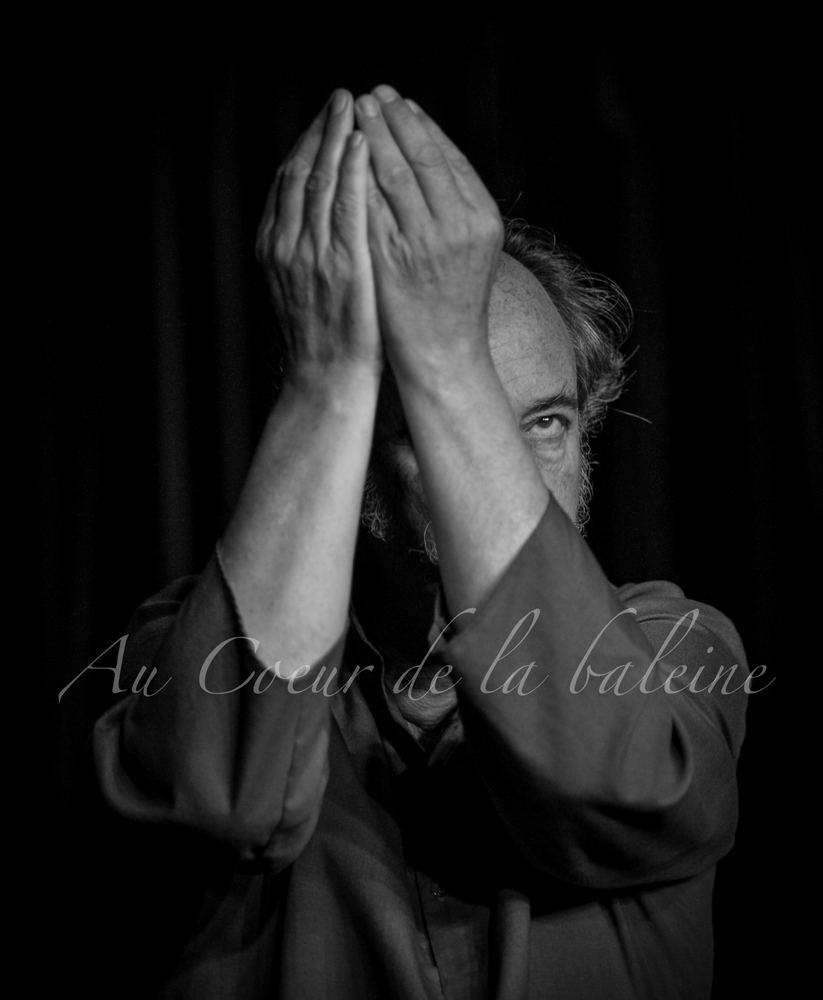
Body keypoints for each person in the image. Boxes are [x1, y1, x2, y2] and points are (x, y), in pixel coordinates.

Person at [91, 86, 749, 999]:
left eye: (545, 422)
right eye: (436, 423)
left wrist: (443, 357)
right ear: (350, 458)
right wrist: (327, 375)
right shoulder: (179, 644)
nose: (508, 470)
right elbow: (219, 803)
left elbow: (603, 780)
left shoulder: (678, 646)